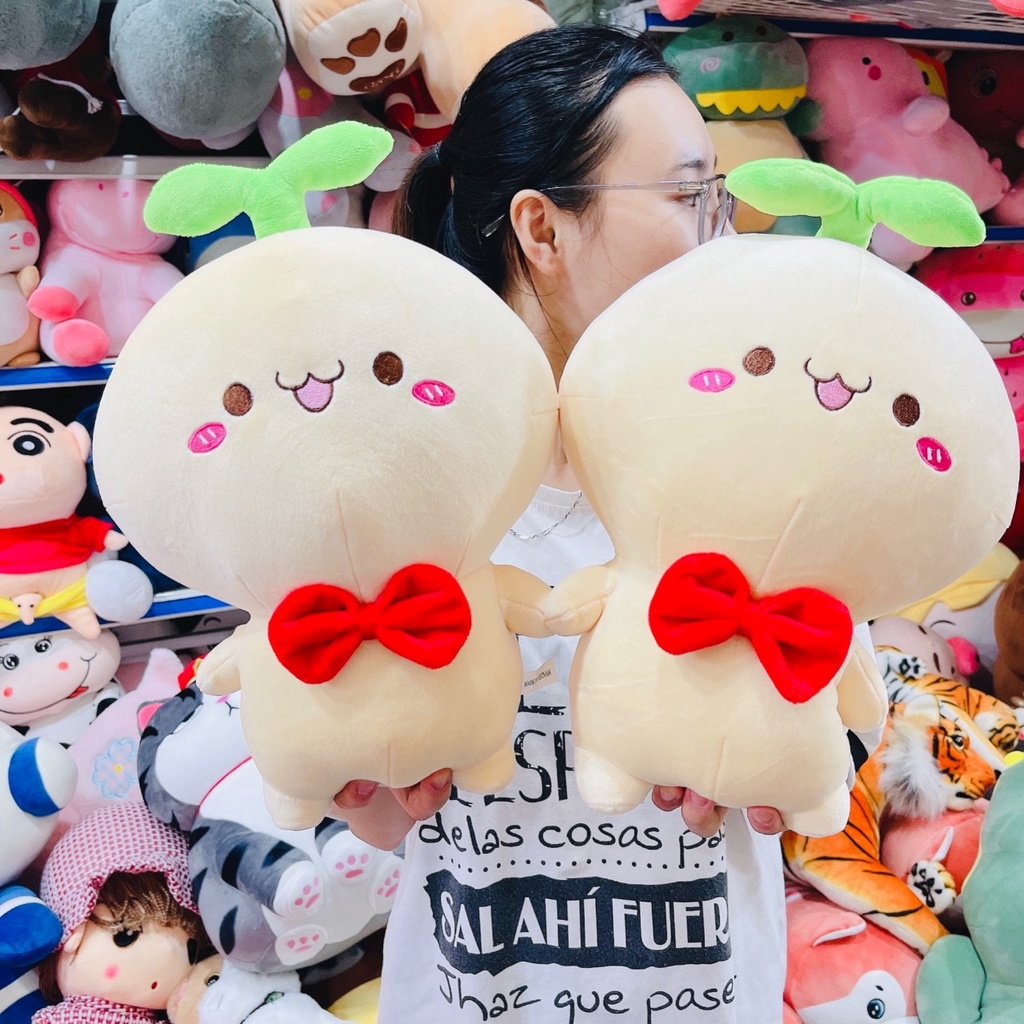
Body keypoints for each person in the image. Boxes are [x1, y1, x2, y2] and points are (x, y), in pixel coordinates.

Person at [335, 24, 873, 1023]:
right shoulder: (401, 494)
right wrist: (363, 785)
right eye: (687, 196)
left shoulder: (761, 475)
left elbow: (839, 740)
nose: (721, 234)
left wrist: (775, 771)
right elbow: (376, 817)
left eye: (719, 195)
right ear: (542, 229)